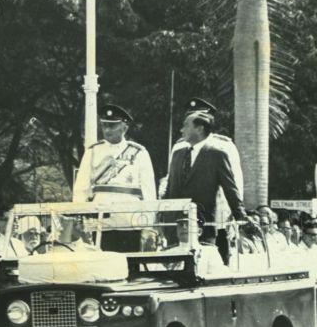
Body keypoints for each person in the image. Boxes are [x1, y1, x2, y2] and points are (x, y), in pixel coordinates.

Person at [163, 104, 247, 260]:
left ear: (199, 128)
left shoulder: (217, 153)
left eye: (186, 126)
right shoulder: (178, 153)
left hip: (203, 223)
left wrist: (240, 216)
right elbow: (169, 188)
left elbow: (230, 187)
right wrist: (161, 215)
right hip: (175, 225)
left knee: (205, 264)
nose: (181, 130)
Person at [73, 104, 156, 252]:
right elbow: (81, 188)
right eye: (104, 126)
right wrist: (80, 218)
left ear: (124, 128)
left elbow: (149, 192)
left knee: (131, 267)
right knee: (103, 266)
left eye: (112, 126)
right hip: (101, 221)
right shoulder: (93, 152)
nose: (107, 130)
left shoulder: (139, 153)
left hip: (130, 220)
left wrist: (148, 224)